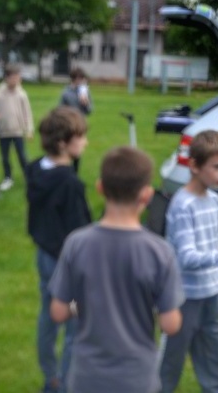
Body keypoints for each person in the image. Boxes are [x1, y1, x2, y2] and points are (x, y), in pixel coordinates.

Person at [49, 146, 184, 393]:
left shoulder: (76, 243)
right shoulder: (159, 251)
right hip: (137, 378)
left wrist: (81, 305)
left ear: (100, 187)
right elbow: (171, 324)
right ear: (146, 196)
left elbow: (58, 312)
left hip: (87, 377)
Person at [159, 130, 218, 393]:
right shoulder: (182, 204)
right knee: (171, 360)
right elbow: (186, 257)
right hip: (183, 296)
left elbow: (209, 249)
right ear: (194, 165)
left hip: (213, 292)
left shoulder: (215, 200)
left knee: (216, 355)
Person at [26, 106, 92, 393]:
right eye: (81, 137)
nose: (86, 142)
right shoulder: (70, 184)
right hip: (68, 263)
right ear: (63, 143)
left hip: (44, 255)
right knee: (74, 327)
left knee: (48, 313)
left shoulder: (37, 168)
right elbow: (80, 233)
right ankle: (63, 385)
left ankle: (51, 375)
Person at [0, 65, 33, 191]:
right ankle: (7, 178)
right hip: (3, 132)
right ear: (6, 78)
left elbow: (27, 112)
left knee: (22, 155)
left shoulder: (21, 94)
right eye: (13, 78)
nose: (16, 80)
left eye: (18, 77)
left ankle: (29, 178)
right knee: (5, 157)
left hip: (18, 131)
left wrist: (29, 129)